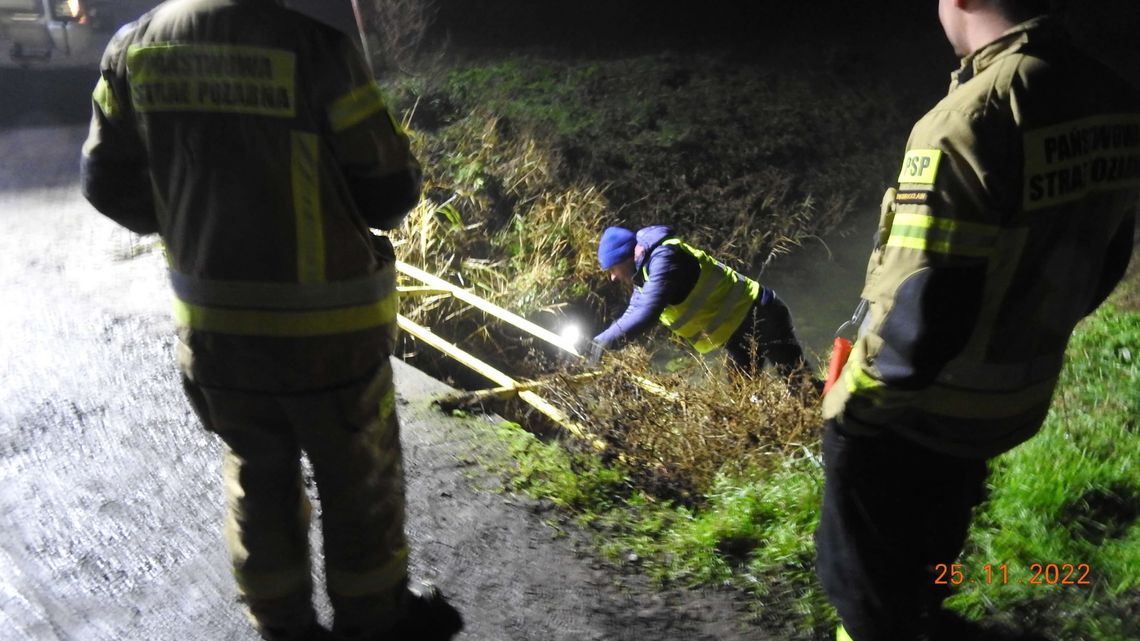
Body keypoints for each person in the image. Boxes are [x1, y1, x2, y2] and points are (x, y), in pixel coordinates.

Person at [80, 1, 462, 640]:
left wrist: (189, 216)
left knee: (256, 481)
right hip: (328, 334)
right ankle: (374, 623)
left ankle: (283, 627)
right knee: (357, 485)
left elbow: (104, 180)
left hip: (217, 330)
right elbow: (389, 191)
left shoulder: (133, 48)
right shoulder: (315, 48)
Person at [816, 1, 1139, 640]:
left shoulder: (969, 118)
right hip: (1011, 399)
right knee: (930, 553)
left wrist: (849, 412)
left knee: (864, 599)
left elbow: (922, 311)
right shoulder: (1109, 97)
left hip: (918, 411)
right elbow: (1106, 263)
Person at [591, 224, 815, 385]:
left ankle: (835, 419)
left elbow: (647, 311)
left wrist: (605, 342)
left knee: (801, 386)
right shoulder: (644, 273)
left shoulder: (665, 258)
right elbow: (634, 309)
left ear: (625, 258)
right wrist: (599, 341)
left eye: (612, 269)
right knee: (742, 401)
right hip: (738, 334)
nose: (613, 277)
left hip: (762, 317)